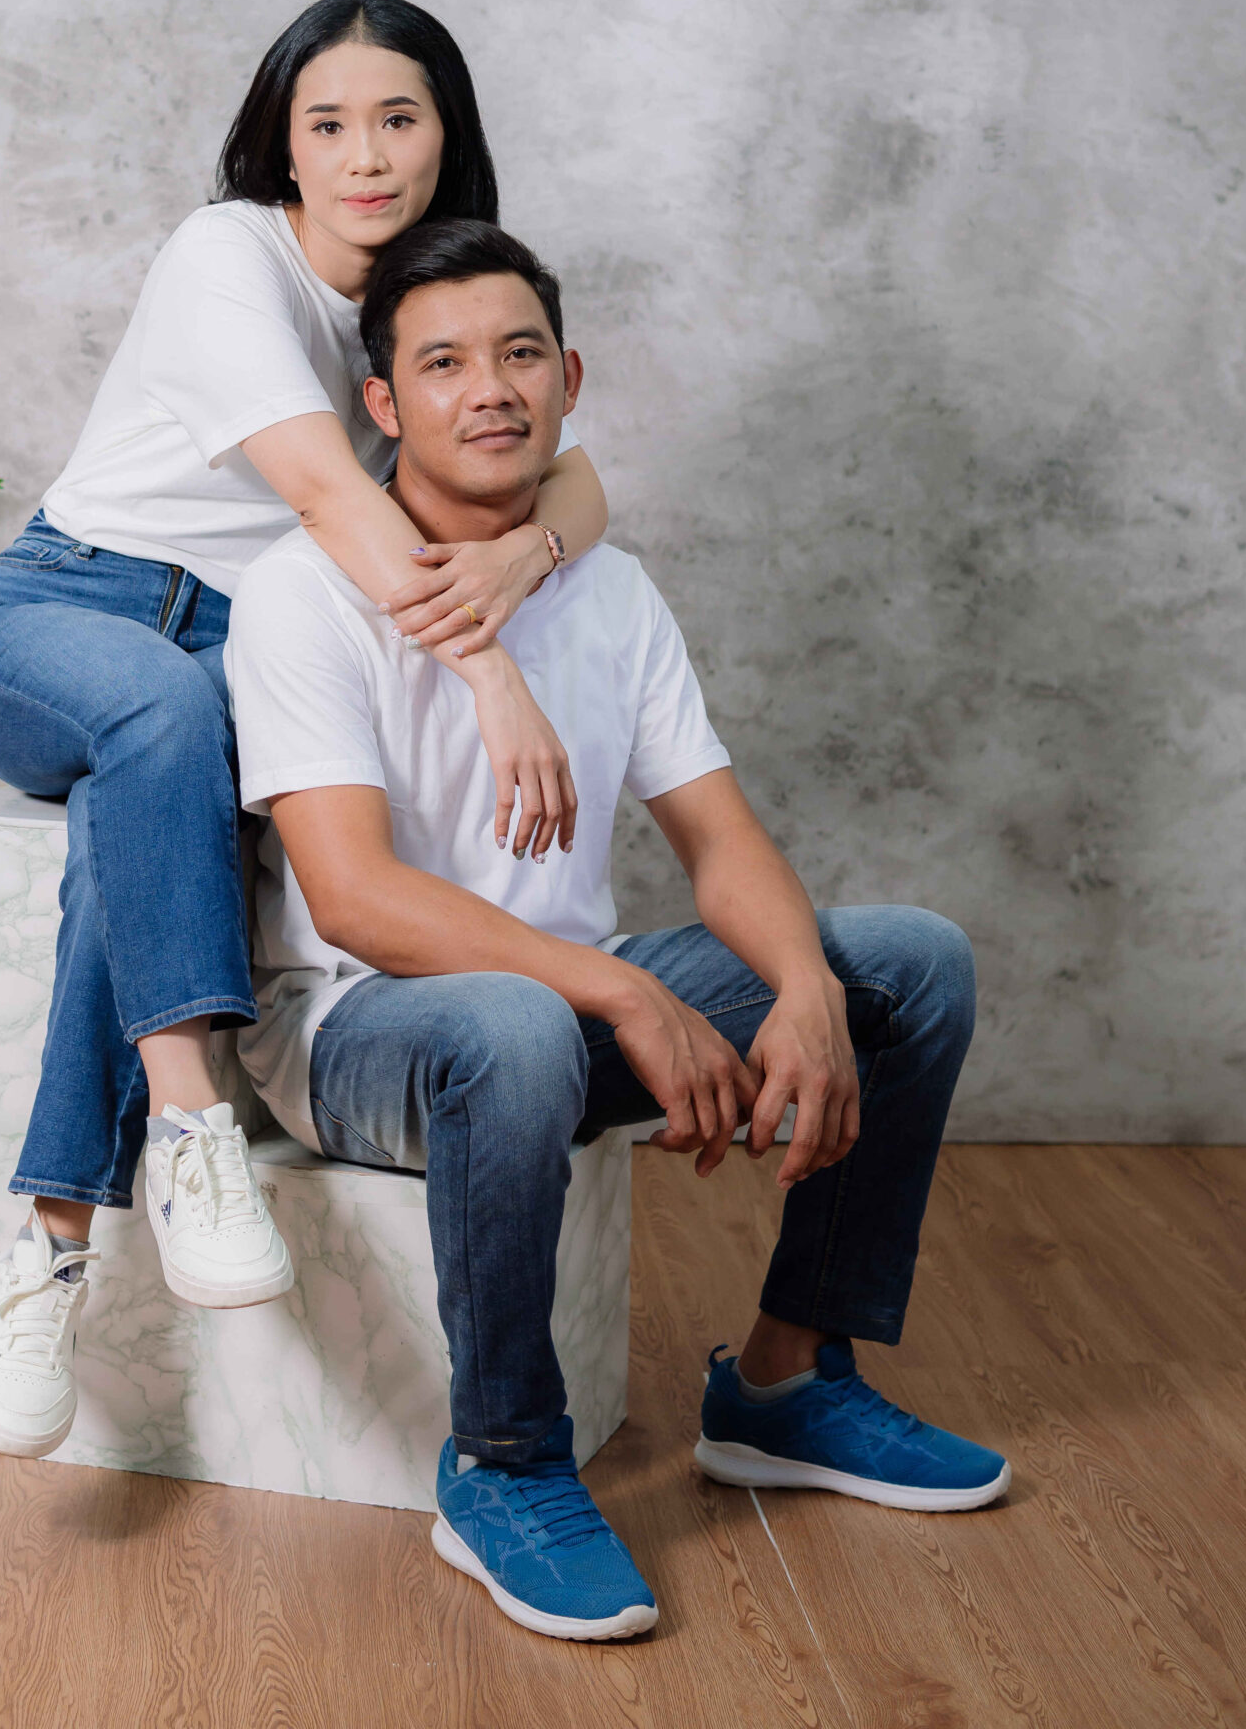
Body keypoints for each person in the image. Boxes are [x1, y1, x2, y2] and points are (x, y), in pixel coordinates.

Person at [223, 217, 1011, 1644]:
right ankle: (505, 1464)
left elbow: (720, 840)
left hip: (560, 1009)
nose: (491, 389)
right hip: (356, 1027)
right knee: (517, 1022)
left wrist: (805, 989)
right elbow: (353, 898)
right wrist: (622, 995)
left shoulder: (611, 589)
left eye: (520, 354)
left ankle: (784, 1383)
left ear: (569, 378)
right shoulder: (302, 592)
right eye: (444, 364)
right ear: (382, 404)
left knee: (908, 961)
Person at [0, 0, 610, 1459]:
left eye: (398, 119)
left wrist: (528, 553)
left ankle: (46, 1251)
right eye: (329, 124)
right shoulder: (225, 254)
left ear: (446, 136)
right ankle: (189, 1123)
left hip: (228, 655)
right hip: (67, 610)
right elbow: (323, 490)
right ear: (282, 147)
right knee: (163, 707)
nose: (365, 155)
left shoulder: (429, 300)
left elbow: (575, 469)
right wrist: (493, 673)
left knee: (137, 817)